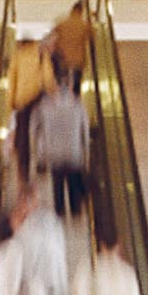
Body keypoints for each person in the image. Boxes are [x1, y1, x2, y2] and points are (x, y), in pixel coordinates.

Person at [32, 64, 91, 220]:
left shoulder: (44, 105)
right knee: (73, 182)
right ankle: (75, 211)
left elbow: (38, 132)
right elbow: (85, 129)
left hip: (54, 152)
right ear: (70, 83)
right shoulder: (78, 104)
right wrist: (87, 153)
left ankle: (60, 213)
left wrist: (40, 156)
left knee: (57, 184)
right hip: (73, 152)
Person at [7, 36, 55, 183]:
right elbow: (47, 76)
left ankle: (24, 168)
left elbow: (11, 79)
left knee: (23, 135)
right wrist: (51, 90)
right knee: (41, 129)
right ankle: (41, 161)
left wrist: (11, 102)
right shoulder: (41, 53)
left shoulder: (17, 56)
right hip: (38, 97)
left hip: (21, 100)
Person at [50, 1, 91, 95]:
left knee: (61, 82)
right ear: (81, 12)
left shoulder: (62, 23)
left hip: (62, 58)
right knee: (76, 84)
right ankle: (75, 98)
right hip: (78, 60)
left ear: (72, 10)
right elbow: (92, 35)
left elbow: (53, 34)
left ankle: (61, 98)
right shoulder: (84, 25)